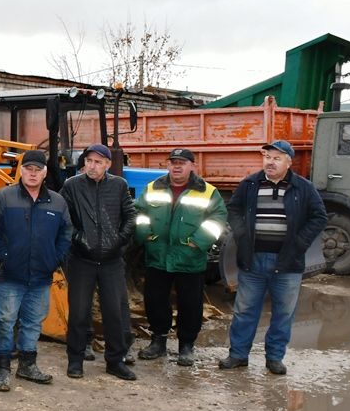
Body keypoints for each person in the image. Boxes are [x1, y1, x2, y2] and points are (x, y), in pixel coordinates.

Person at [219, 140, 327, 375]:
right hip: (253, 260)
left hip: (287, 263)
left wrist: (299, 243)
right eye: (267, 157)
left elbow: (319, 217)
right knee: (245, 310)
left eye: (277, 158)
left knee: (283, 313)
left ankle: (275, 358)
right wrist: (241, 234)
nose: (270, 162)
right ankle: (238, 355)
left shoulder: (304, 188)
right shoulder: (249, 184)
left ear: (289, 162)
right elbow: (233, 209)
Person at [0, 149, 72, 391]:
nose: (32, 174)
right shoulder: (3, 197)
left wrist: (55, 259)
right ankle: (2, 369)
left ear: (45, 173)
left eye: (38, 170)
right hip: (10, 275)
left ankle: (27, 365)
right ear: (21, 171)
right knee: (4, 320)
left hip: (41, 276)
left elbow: (66, 234)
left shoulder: (57, 201)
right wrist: (2, 257)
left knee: (34, 322)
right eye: (28, 169)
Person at [135, 148, 227, 367]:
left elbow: (218, 218)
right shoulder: (152, 187)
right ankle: (158, 342)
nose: (177, 166)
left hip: (189, 257)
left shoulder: (207, 191)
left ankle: (186, 346)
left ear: (192, 166)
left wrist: (199, 241)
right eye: (173, 162)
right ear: (167, 165)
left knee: (190, 304)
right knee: (155, 300)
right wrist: (145, 235)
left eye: (182, 163)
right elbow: (139, 213)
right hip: (158, 255)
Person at [60, 143, 137, 381]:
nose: (92, 166)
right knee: (79, 313)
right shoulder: (72, 186)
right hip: (82, 260)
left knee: (114, 312)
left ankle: (115, 361)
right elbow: (65, 219)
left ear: (107, 164)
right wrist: (79, 239)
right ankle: (75, 360)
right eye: (89, 161)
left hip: (112, 261)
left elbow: (130, 215)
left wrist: (121, 240)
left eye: (97, 162)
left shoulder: (118, 185)